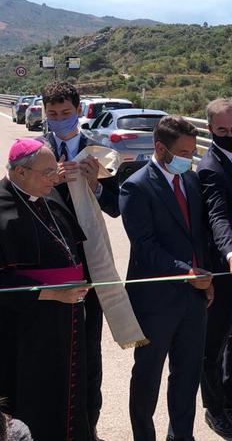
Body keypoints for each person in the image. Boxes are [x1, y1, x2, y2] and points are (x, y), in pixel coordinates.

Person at [120, 116, 213, 441]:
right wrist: (186, 273)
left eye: (193, 151)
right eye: (184, 151)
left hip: (193, 299)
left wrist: (204, 276)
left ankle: (181, 435)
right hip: (154, 301)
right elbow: (145, 247)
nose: (190, 158)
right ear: (160, 148)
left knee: (187, 375)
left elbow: (195, 237)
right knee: (147, 376)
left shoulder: (189, 180)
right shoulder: (137, 186)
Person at [41, 81, 120, 439]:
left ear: (78, 111)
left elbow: (117, 206)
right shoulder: (36, 151)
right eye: (52, 114)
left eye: (65, 114)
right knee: (50, 348)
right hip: (47, 264)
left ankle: (89, 425)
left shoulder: (99, 153)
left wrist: (97, 186)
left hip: (89, 265)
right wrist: (47, 183)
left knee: (88, 349)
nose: (59, 120)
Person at [0, 139, 92, 440]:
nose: (55, 179)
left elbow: (75, 251)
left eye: (56, 172)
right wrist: (52, 293)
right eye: (47, 173)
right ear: (21, 172)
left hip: (67, 321)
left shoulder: (49, 197)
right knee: (33, 396)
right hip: (25, 329)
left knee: (68, 391)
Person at [197, 99, 232, 437]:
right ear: (210, 130)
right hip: (224, 264)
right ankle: (214, 409)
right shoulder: (209, 168)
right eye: (222, 131)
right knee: (215, 342)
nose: (230, 135)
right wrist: (231, 254)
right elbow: (219, 218)